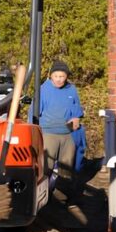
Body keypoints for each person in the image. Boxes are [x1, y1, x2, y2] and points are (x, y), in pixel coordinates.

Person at [36, 59, 84, 194]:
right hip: (48, 133)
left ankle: (61, 198)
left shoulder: (72, 89)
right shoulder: (43, 90)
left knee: (66, 169)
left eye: (62, 76)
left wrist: (77, 118)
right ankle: (42, 196)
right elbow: (34, 113)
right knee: (47, 167)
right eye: (56, 76)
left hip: (68, 134)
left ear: (66, 77)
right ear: (51, 76)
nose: (59, 79)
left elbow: (76, 110)